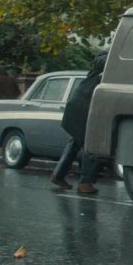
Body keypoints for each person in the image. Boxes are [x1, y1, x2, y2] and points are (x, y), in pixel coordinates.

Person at [50, 52, 107, 193]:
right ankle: (85, 182)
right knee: (93, 143)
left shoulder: (106, 58)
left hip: (82, 102)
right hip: (86, 105)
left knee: (76, 142)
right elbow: (100, 61)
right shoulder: (107, 57)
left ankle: (58, 174)